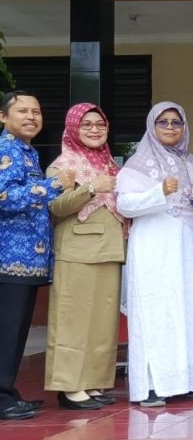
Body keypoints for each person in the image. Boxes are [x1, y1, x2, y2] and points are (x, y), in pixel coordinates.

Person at [117, 102, 193, 407]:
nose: (170, 127)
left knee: (185, 308)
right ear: (152, 127)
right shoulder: (138, 162)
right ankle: (152, 385)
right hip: (154, 244)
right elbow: (125, 205)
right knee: (156, 309)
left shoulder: (190, 161)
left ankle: (186, 381)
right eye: (163, 122)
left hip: (186, 241)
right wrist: (159, 192)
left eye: (176, 122)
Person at [45, 103, 126, 410]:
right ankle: (69, 386)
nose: (95, 129)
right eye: (86, 124)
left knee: (102, 323)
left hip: (110, 248)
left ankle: (92, 382)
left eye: (100, 124)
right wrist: (91, 187)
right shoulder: (63, 164)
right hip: (77, 250)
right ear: (73, 128)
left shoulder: (110, 164)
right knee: (73, 320)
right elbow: (56, 206)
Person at [0, 91, 74, 420]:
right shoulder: (6, 150)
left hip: (27, 262)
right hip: (9, 258)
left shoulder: (27, 152)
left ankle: (7, 392)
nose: (31, 117)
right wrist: (53, 185)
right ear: (3, 117)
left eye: (37, 111)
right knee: (7, 331)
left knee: (15, 332)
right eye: (23, 111)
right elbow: (4, 196)